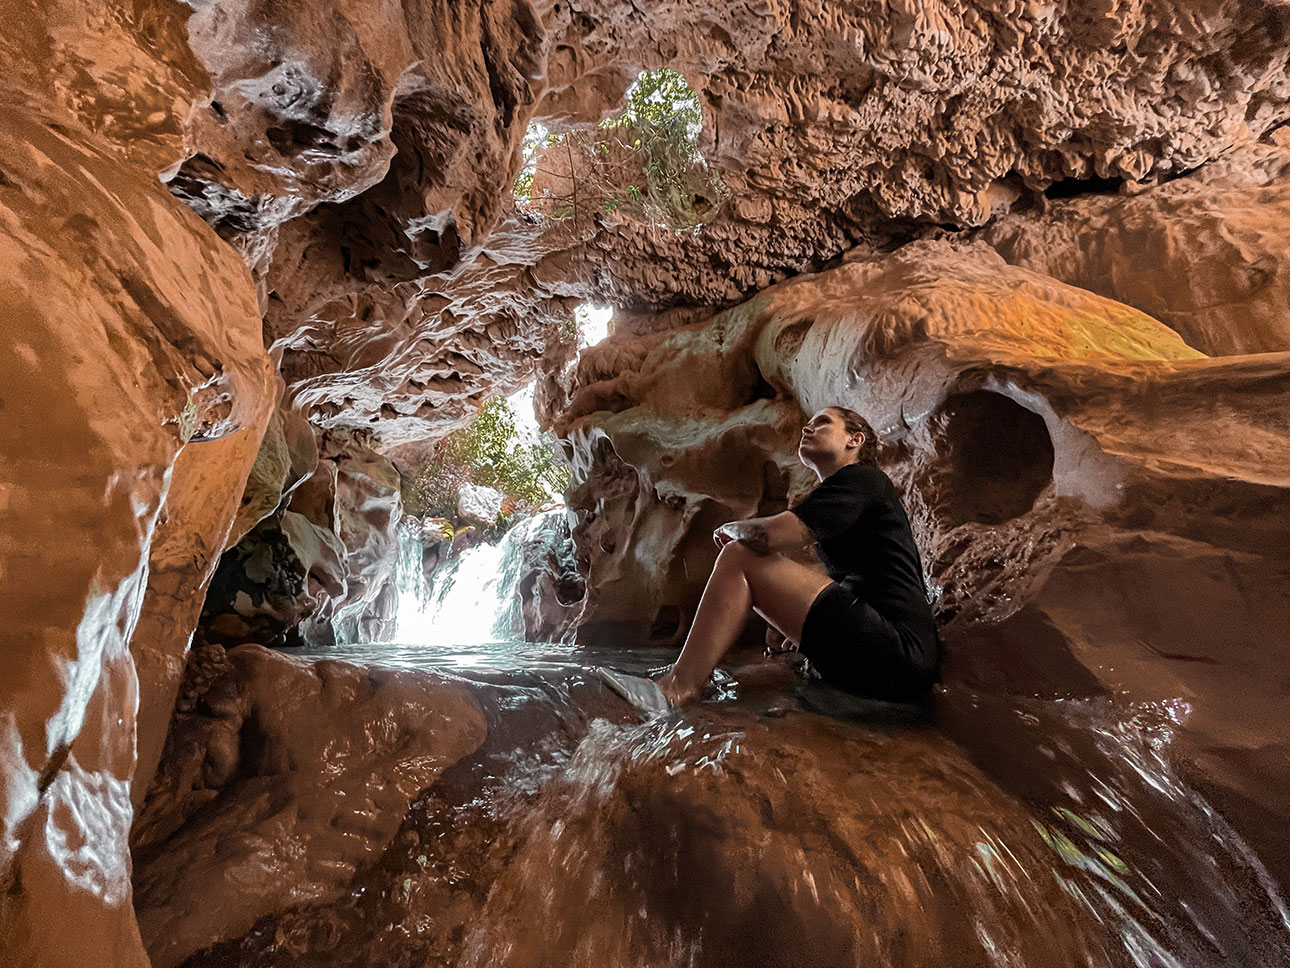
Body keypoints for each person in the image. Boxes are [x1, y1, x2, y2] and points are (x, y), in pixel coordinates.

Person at [598, 406, 939, 710]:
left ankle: (676, 689)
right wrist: (798, 622)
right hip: (894, 658)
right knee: (752, 560)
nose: (807, 429)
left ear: (855, 440)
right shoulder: (850, 496)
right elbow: (853, 579)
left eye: (822, 423)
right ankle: (691, 669)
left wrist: (733, 528)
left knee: (739, 556)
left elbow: (774, 536)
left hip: (898, 651)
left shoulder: (862, 479)